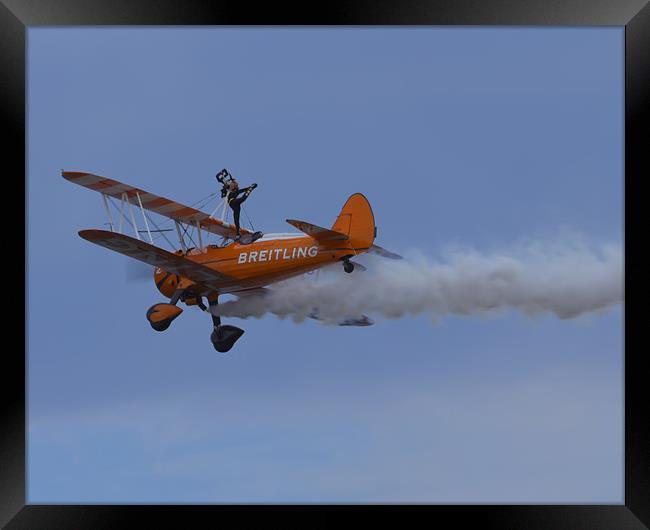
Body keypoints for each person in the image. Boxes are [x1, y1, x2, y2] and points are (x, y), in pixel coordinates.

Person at [216, 169, 257, 240]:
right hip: (234, 203)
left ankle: (238, 233)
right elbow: (224, 190)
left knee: (236, 218)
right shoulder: (231, 190)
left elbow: (241, 190)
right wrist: (250, 188)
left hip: (235, 204)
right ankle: (238, 233)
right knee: (236, 218)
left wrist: (250, 187)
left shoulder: (234, 191)